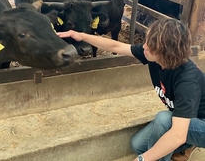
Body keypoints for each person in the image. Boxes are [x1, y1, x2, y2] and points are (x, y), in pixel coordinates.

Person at [57, 18, 205, 161]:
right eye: (147, 40)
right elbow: (116, 47)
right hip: (186, 118)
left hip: (201, 126)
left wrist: (142, 159)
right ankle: (185, 145)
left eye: (150, 44)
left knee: (164, 120)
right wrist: (81, 36)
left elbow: (178, 134)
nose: (144, 46)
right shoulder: (154, 55)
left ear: (166, 51)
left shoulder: (187, 81)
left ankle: (181, 147)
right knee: (138, 145)